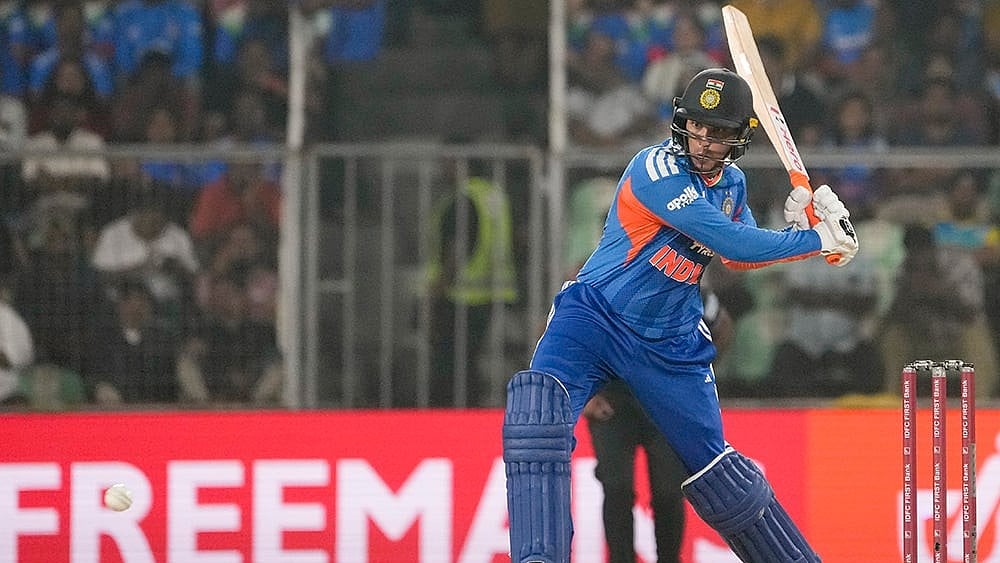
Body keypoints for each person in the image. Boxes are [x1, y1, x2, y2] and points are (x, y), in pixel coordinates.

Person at [502, 68, 858, 563]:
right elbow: (733, 242)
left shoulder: (732, 183)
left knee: (723, 478)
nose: (703, 140)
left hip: (671, 342)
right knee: (536, 417)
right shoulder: (655, 170)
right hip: (594, 319)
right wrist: (815, 239)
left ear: (739, 138)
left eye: (718, 132)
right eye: (697, 126)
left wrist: (794, 226)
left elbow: (736, 259)